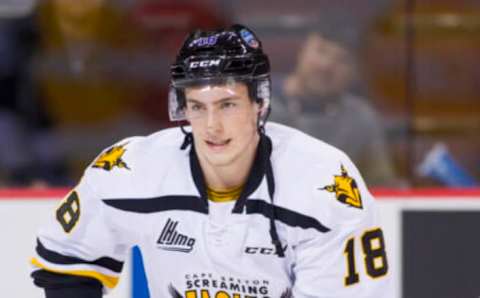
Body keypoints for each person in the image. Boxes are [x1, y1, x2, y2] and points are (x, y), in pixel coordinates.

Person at [30, 24, 392, 297]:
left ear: (259, 103)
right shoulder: (130, 168)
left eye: (227, 104)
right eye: (197, 107)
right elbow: (67, 264)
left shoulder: (325, 182)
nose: (212, 126)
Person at [270, 32, 398, 187]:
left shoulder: (360, 119)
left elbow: (382, 187)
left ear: (355, 72)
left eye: (342, 60)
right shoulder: (252, 104)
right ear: (301, 50)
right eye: (321, 51)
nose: (326, 66)